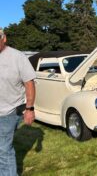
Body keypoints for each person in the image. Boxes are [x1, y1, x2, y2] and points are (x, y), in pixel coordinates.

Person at [0, 27, 36, 175]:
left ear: (4, 38)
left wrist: (30, 109)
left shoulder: (18, 57)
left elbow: (29, 84)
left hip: (9, 111)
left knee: (3, 149)